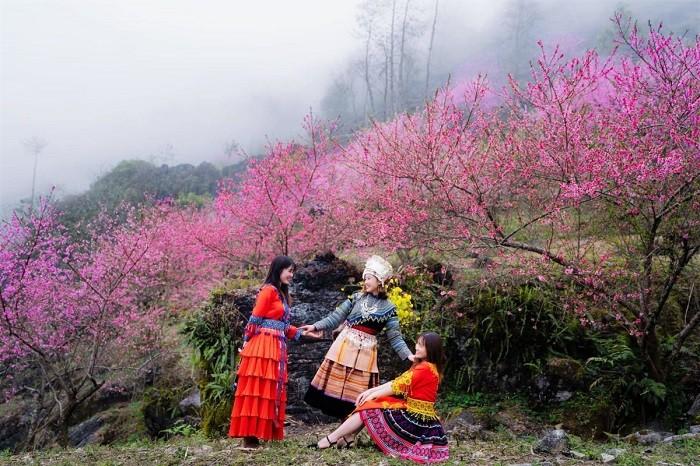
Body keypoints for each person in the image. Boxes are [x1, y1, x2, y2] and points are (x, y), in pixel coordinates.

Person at [300, 255, 414, 419]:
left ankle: (348, 433)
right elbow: (335, 317)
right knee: (336, 390)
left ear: (379, 281)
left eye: (368, 278)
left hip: (365, 355)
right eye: (365, 278)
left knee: (356, 396)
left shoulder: (389, 308)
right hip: (344, 347)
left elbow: (395, 338)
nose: (365, 281)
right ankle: (341, 431)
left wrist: (408, 355)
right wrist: (315, 326)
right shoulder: (356, 298)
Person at [314, 332, 449, 464]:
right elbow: (396, 382)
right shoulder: (427, 366)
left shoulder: (424, 368)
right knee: (373, 402)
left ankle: (331, 439)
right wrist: (371, 392)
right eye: (417, 344)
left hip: (417, 421)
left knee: (371, 405)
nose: (416, 347)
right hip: (418, 415)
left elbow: (395, 386)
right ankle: (347, 437)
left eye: (421, 345)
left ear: (431, 349)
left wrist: (370, 395)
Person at [228, 255, 304, 449]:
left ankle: (259, 433)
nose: (291, 275)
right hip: (262, 346)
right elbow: (254, 320)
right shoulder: (268, 291)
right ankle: (249, 437)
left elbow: (284, 328)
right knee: (256, 389)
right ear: (278, 269)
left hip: (276, 346)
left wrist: (304, 333)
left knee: (267, 391)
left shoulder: (282, 294)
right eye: (289, 270)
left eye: (293, 271)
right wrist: (246, 344)